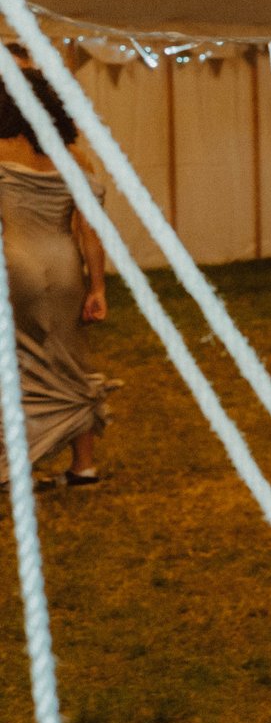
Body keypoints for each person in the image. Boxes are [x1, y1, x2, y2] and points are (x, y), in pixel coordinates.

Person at [0, 74, 112, 486]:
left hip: (15, 264)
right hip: (65, 265)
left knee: (13, 364)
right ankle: (84, 466)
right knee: (71, 360)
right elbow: (90, 231)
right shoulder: (76, 158)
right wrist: (97, 287)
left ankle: (13, 466)